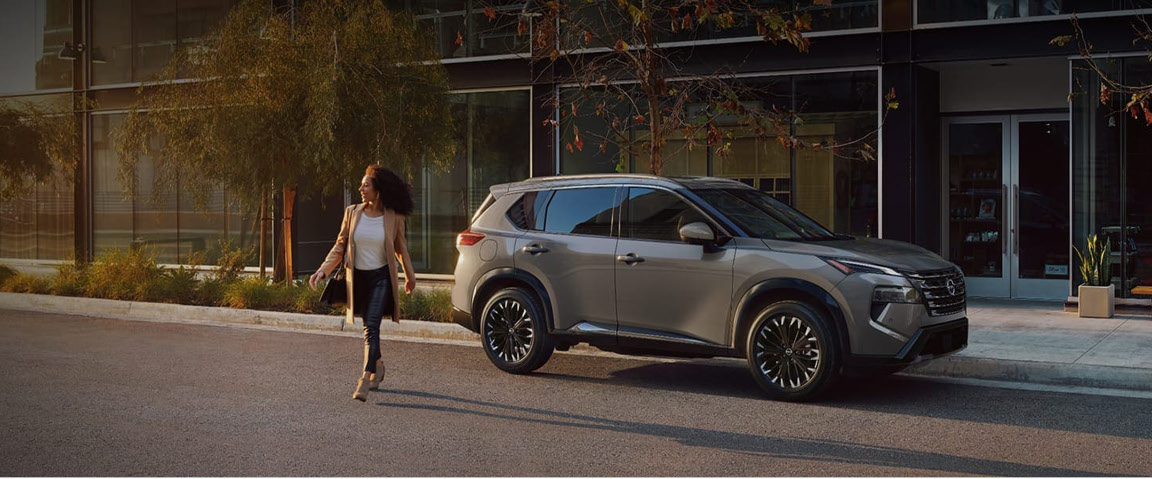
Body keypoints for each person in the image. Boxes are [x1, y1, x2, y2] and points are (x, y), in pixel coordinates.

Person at [309, 165, 417, 401]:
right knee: (369, 327)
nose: (360, 188)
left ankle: (365, 378)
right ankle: (378, 365)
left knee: (371, 328)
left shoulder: (393, 217)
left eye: (365, 185)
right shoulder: (352, 212)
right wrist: (322, 271)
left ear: (378, 191)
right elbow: (340, 246)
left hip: (381, 279)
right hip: (358, 279)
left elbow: (401, 249)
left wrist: (410, 276)